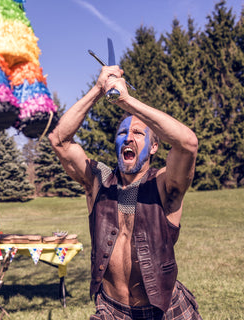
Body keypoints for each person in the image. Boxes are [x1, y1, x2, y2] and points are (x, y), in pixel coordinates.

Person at [48, 65, 202, 319]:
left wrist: (126, 101)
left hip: (164, 308)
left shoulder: (164, 184)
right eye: (122, 133)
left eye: (138, 133)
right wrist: (99, 89)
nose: (128, 137)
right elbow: (59, 140)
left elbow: (187, 143)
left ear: (154, 147)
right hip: (112, 309)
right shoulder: (99, 181)